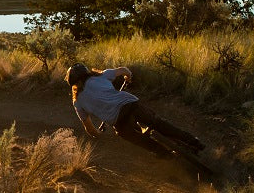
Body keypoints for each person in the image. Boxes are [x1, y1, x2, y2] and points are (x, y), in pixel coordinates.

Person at [65, 63, 204, 159]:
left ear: (72, 84)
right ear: (87, 72)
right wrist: (128, 77)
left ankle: (164, 154)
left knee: (137, 139)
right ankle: (192, 141)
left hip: (118, 121)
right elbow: (124, 70)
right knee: (158, 123)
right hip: (129, 104)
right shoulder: (101, 76)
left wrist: (99, 136)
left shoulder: (78, 102)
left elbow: (89, 129)